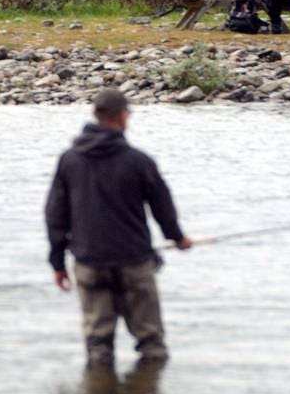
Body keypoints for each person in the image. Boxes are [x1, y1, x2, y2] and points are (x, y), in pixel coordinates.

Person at [45, 89, 192, 368]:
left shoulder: (70, 160)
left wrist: (57, 262)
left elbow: (55, 215)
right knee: (152, 345)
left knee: (98, 347)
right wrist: (178, 238)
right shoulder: (138, 161)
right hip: (134, 262)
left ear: (96, 116)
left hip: (89, 262)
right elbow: (163, 207)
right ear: (122, 116)